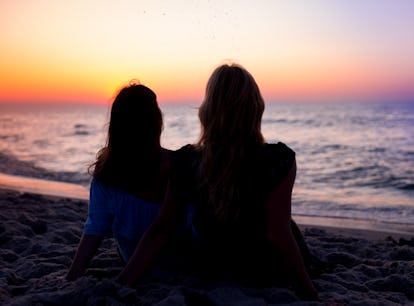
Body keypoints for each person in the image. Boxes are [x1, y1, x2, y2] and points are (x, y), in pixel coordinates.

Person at [117, 64, 319, 301]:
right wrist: (310, 294)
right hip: (264, 268)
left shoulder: (186, 161)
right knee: (284, 222)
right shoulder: (279, 159)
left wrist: (123, 281)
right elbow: (277, 233)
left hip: (212, 266)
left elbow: (161, 229)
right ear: (255, 108)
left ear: (207, 110)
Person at [66, 83, 170, 280]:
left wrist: (72, 276)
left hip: (130, 258)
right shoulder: (175, 165)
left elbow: (95, 228)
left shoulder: (107, 171)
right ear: (155, 120)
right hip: (175, 262)